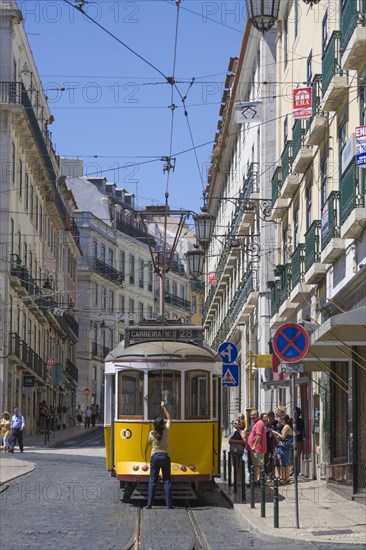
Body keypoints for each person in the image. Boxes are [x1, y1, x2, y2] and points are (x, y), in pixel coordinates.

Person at [146, 401, 173, 509]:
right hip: (165, 457)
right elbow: (169, 418)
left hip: (155, 457)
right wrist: (163, 407)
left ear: (154, 425)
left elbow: (148, 442)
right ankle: (169, 504)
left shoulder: (151, 433)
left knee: (153, 480)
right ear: (162, 424)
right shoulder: (166, 430)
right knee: (167, 480)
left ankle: (149, 504)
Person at [247, 409, 267, 483]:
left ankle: (255, 481)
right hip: (257, 448)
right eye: (251, 415)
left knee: (257, 465)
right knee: (259, 465)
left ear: (258, 415)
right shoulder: (257, 423)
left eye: (254, 415)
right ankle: (261, 479)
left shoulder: (259, 423)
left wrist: (254, 445)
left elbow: (259, 435)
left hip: (257, 449)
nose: (252, 417)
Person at [272, 414, 293, 484]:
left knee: (285, 463)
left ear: (284, 420)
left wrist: (275, 432)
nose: (280, 421)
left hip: (285, 447)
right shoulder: (286, 426)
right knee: (284, 463)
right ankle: (285, 478)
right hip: (284, 447)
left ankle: (286, 478)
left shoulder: (286, 427)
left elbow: (283, 437)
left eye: (281, 420)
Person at [295, 407, 305, 475]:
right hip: (291, 441)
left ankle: (296, 471)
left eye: (295, 412)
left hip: (298, 441)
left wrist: (292, 433)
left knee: (297, 456)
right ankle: (293, 470)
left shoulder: (300, 421)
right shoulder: (291, 421)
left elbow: (299, 432)